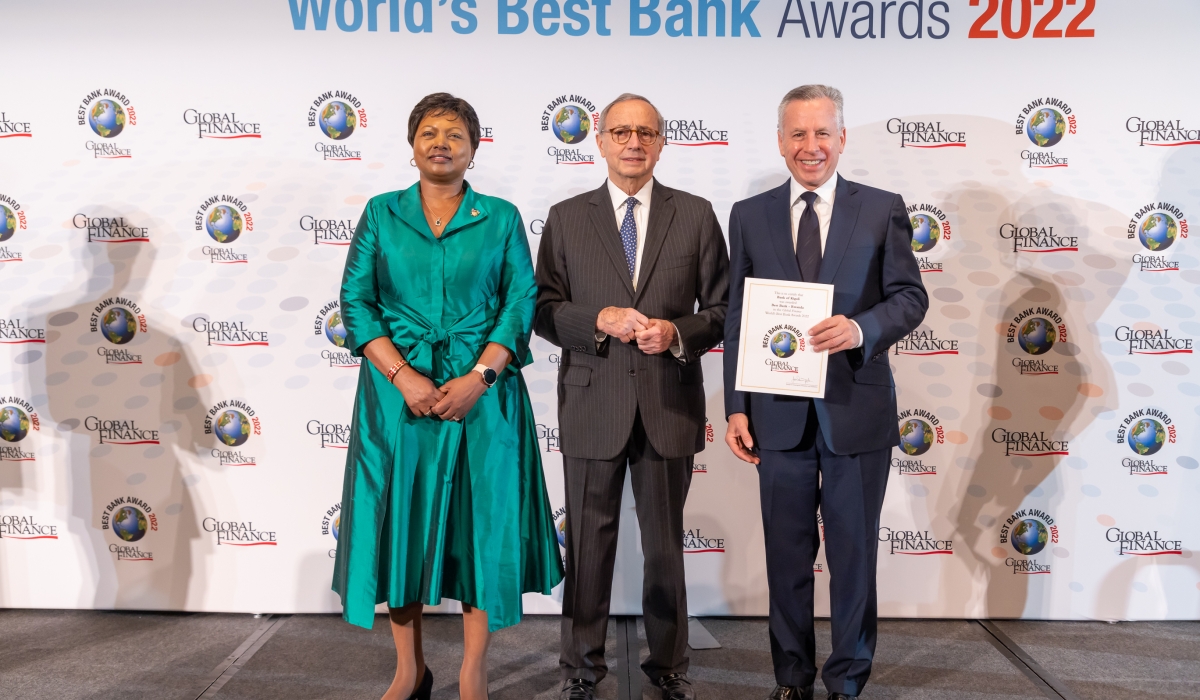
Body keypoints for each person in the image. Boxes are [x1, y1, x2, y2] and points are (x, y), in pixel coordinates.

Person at [332, 92, 563, 700]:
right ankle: (409, 669)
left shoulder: (502, 216)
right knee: (402, 526)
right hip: (396, 400)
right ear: (412, 146)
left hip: (483, 399)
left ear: (474, 147)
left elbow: (519, 303)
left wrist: (480, 378)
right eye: (429, 132)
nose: (441, 142)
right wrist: (403, 377)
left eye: (455, 134)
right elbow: (356, 301)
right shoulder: (382, 213)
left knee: (480, 528)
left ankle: (473, 670)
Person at [722, 85, 928, 700]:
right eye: (797, 134)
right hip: (775, 413)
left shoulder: (882, 207)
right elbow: (736, 315)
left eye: (821, 134)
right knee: (786, 559)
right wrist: (735, 404)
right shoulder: (749, 214)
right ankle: (791, 678)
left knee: (852, 558)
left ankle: (847, 680)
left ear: (842, 138)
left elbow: (910, 297)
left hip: (855, 411)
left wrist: (861, 328)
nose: (810, 147)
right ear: (780, 140)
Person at [535, 93, 729, 700]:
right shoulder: (567, 217)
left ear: (662, 142)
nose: (633, 142)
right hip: (592, 403)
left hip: (668, 405)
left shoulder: (695, 215)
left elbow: (723, 310)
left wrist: (677, 333)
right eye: (620, 131)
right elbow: (541, 309)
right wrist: (597, 321)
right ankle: (580, 671)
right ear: (599, 140)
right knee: (588, 546)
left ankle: (669, 669)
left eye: (645, 132)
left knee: (666, 547)